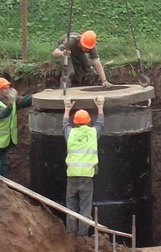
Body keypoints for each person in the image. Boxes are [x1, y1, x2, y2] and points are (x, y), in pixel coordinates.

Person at [63, 96, 105, 237]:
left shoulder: (70, 133)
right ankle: (82, 237)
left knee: (71, 208)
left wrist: (67, 108)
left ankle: (70, 234)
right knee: (85, 209)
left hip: (72, 175)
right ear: (88, 121)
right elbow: (101, 123)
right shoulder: (93, 133)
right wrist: (100, 106)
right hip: (86, 176)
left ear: (75, 123)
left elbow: (64, 124)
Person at [0, 77, 32, 176]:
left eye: (8, 87)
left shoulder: (12, 101)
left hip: (4, 140)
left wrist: (39, 95)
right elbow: (2, 114)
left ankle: (4, 187)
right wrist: (11, 102)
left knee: (3, 164)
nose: (8, 90)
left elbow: (25, 100)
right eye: (5, 88)